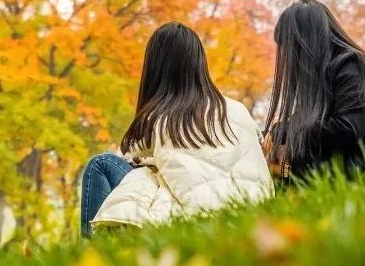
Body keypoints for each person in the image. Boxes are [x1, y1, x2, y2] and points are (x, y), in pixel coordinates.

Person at [81, 22, 273, 236]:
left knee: (102, 164)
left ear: (155, 68)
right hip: (254, 217)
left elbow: (126, 156)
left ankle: (89, 256)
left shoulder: (158, 116)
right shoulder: (239, 110)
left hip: (200, 218)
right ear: (199, 63)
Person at [263, 0, 365, 181]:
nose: (287, 57)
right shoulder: (322, 84)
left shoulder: (354, 66)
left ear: (305, 43)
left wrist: (287, 132)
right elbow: (308, 129)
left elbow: (346, 130)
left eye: (289, 47)